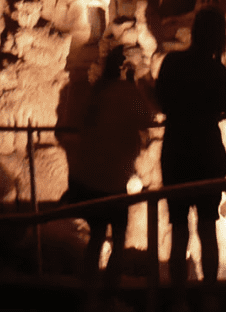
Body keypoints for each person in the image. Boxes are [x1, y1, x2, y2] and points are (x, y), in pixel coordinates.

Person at [156, 6, 226, 303]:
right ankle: (210, 295)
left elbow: (161, 103)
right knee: (207, 227)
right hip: (206, 153)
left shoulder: (172, 63)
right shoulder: (215, 71)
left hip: (175, 151)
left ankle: (177, 299)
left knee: (178, 231)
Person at [60, 45, 154, 310]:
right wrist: (136, 85)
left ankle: (87, 294)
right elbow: (147, 118)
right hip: (112, 179)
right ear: (124, 69)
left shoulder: (97, 90)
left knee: (97, 235)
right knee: (120, 235)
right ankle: (109, 294)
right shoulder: (126, 91)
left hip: (88, 177)